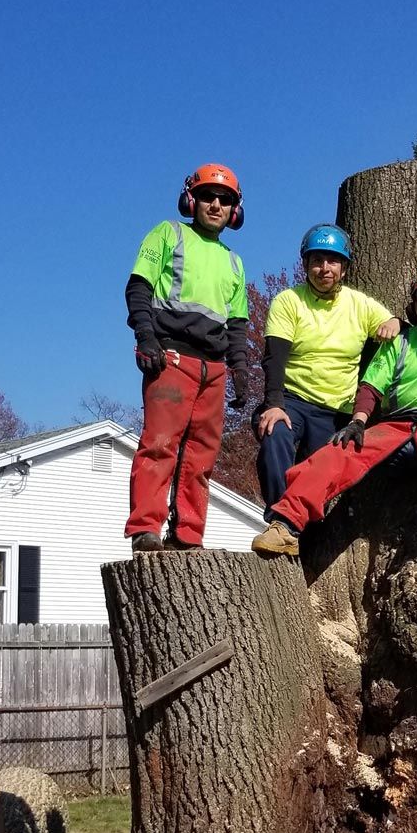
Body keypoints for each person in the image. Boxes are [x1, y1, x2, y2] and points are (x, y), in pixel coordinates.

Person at [251, 264, 417, 603]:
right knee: (336, 453)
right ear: (416, 305)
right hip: (395, 425)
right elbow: (371, 385)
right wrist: (359, 421)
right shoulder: (401, 341)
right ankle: (286, 524)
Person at [124, 163, 249, 551]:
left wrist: (241, 368)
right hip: (170, 357)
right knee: (159, 443)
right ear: (190, 200)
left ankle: (188, 535)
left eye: (225, 200)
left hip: (213, 369)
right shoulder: (168, 234)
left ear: (235, 211)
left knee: (202, 457)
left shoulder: (234, 261)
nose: (215, 204)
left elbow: (238, 323)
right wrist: (146, 337)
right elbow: (138, 289)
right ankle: (145, 528)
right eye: (208, 196)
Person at [255, 225, 399, 510]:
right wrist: (273, 404)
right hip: (292, 400)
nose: (324, 268)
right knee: (275, 434)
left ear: (344, 268)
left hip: (336, 411)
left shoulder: (359, 304)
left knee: (319, 473)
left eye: (332, 261)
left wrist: (394, 322)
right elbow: (274, 357)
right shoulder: (289, 301)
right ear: (306, 264)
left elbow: (395, 325)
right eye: (317, 260)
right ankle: (278, 518)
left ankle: (300, 529)